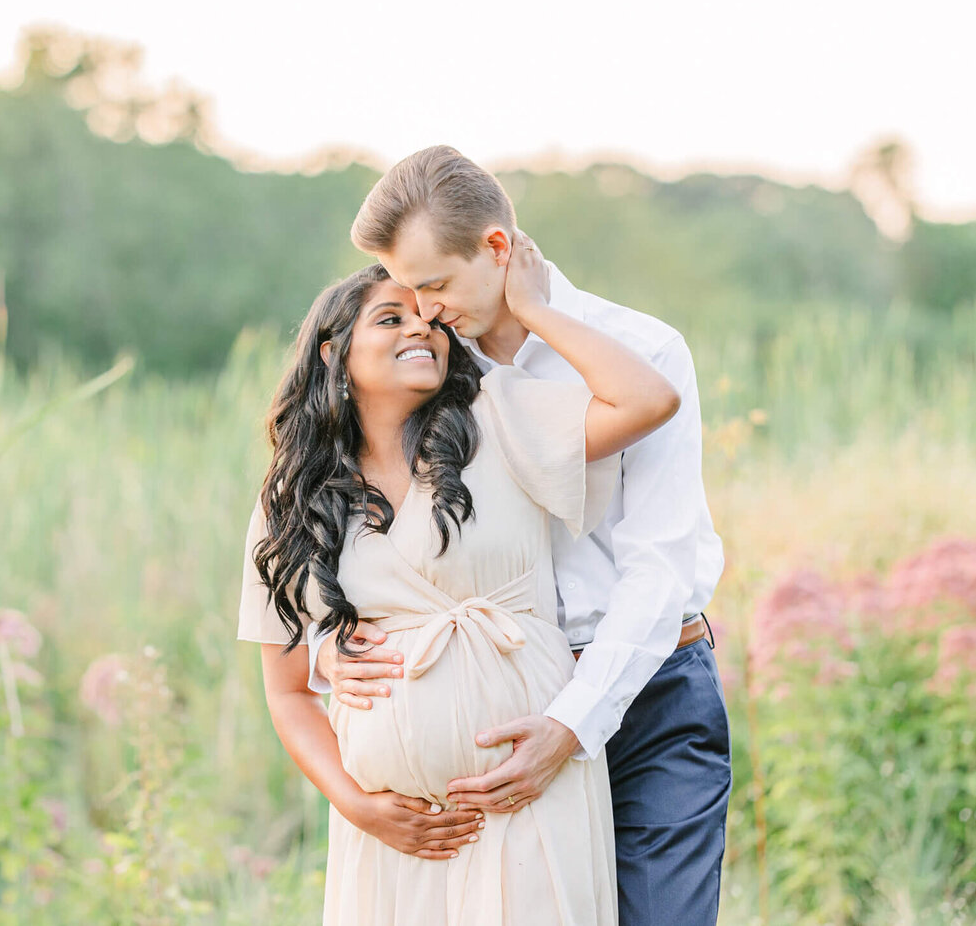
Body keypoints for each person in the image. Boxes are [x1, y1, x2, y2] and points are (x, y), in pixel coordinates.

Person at [308, 145, 731, 926]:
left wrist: (571, 723)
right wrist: (332, 642)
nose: (425, 312)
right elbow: (365, 505)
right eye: (409, 293)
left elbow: (658, 569)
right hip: (505, 711)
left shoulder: (644, 350)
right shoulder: (435, 367)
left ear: (498, 248)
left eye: (434, 285)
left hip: (649, 695)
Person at [236, 246, 680, 923]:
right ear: (333, 354)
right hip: (393, 834)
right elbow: (288, 691)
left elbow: (650, 399)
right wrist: (358, 807)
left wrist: (534, 309)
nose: (421, 328)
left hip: (526, 795)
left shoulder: (500, 419)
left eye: (431, 318)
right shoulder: (291, 500)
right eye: (391, 317)